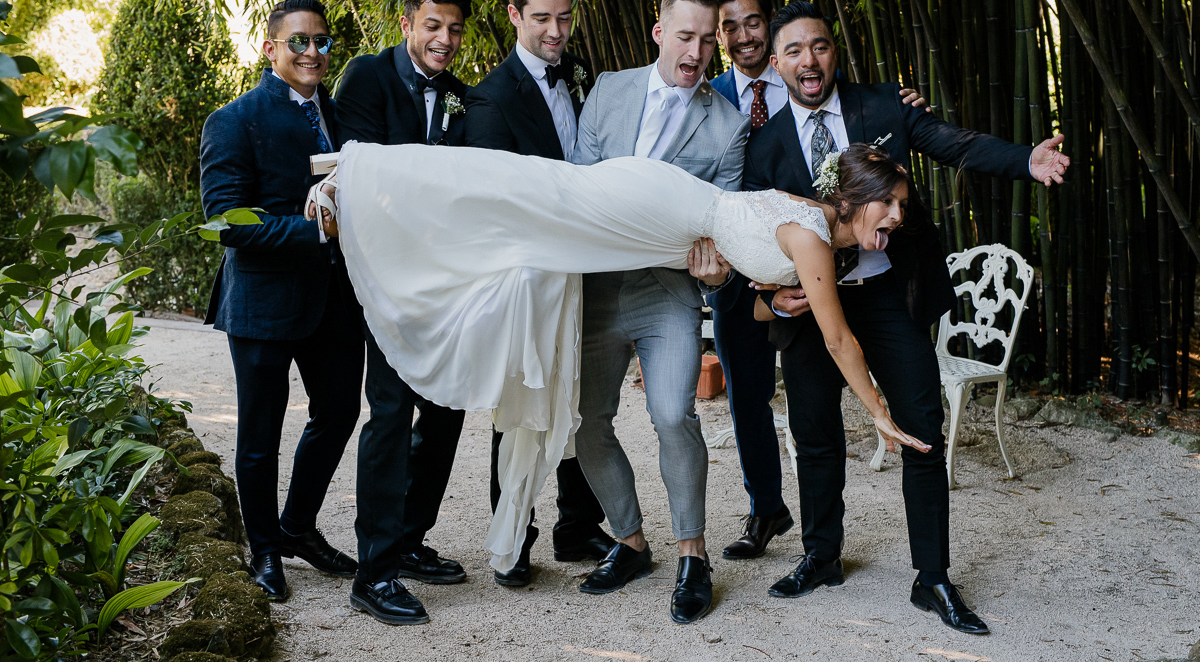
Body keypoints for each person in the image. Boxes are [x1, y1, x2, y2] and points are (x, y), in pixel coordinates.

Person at [311, 138, 931, 625]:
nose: (898, 217)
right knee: (535, 193)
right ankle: (366, 175)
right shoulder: (813, 234)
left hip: (667, 222)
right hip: (654, 208)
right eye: (890, 204)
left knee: (534, 200)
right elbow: (839, 339)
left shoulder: (814, 224)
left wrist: (768, 298)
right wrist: (880, 412)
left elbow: (762, 297)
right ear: (854, 197)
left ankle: (687, 558)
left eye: (902, 206)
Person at [733, 0, 1069, 635]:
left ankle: (932, 576)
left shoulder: (885, 105)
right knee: (814, 432)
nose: (810, 60)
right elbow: (752, 235)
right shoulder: (764, 144)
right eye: (795, 50)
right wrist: (774, 299)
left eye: (820, 46)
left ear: (835, 51)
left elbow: (952, 142)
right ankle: (821, 555)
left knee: (921, 427)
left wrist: (1025, 160)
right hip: (812, 306)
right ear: (775, 64)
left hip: (890, 294)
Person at [709, 0, 928, 561]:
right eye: (728, 27)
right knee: (770, 408)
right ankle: (786, 526)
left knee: (889, 424)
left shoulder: (869, 104)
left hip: (849, 280)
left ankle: (922, 570)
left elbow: (943, 141)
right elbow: (744, 216)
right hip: (756, 265)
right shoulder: (715, 102)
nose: (742, 34)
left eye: (752, 22)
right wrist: (762, 293)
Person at [567, 0, 746, 625]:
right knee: (586, 422)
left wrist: (717, 274)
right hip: (595, 288)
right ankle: (631, 541)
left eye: (708, 40)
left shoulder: (728, 126)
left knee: (674, 414)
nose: (696, 52)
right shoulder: (608, 89)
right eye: (685, 36)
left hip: (667, 293)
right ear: (659, 32)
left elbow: (725, 230)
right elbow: (578, 184)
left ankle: (693, 554)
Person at [199, 0, 361, 603]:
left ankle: (297, 526)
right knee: (260, 435)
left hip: (335, 299)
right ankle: (265, 550)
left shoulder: (340, 115)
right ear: (270, 49)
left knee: (339, 413)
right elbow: (226, 221)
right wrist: (314, 230)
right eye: (299, 41)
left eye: (321, 41)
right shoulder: (233, 120)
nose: (312, 51)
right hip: (263, 303)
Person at [464, 0, 614, 588]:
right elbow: (492, 201)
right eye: (543, 18)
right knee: (524, 401)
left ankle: (576, 525)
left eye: (565, 17)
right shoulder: (489, 97)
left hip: (586, 264)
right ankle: (515, 532)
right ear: (514, 15)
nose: (556, 31)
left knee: (581, 395)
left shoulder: (582, 75)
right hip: (529, 276)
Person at [333, 0, 474, 625]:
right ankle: (374, 573)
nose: (444, 39)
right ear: (407, 24)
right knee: (389, 414)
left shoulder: (461, 97)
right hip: (384, 276)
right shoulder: (365, 77)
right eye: (433, 26)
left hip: (443, 282)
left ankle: (411, 540)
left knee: (446, 408)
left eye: (454, 30)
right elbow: (361, 172)